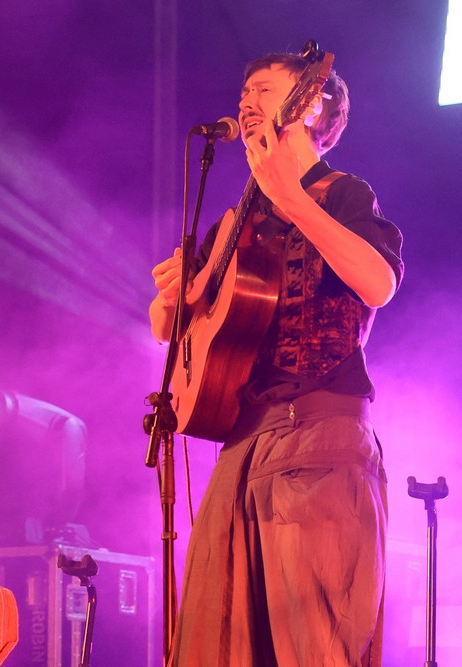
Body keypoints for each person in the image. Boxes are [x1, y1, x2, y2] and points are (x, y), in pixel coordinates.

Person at [149, 51, 404, 666]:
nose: (245, 97)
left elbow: (378, 284)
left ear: (309, 105)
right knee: (218, 645)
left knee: (312, 644)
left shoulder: (345, 193)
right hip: (240, 445)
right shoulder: (235, 221)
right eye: (243, 89)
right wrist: (176, 292)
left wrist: (294, 200)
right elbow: (165, 329)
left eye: (263, 87)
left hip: (315, 437)